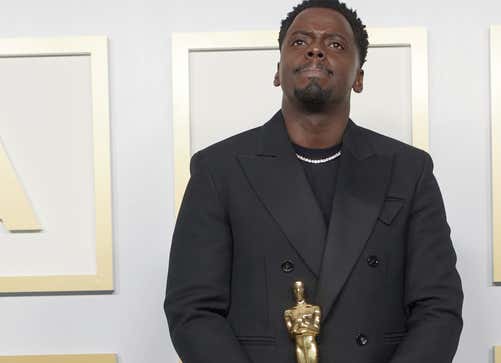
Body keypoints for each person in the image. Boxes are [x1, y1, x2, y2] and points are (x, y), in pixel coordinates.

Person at [164, 0, 463, 362]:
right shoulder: (218, 170)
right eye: (299, 41)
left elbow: (438, 307)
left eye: (335, 44)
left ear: (359, 77)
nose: (316, 49)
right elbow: (193, 311)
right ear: (277, 71)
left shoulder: (408, 170)